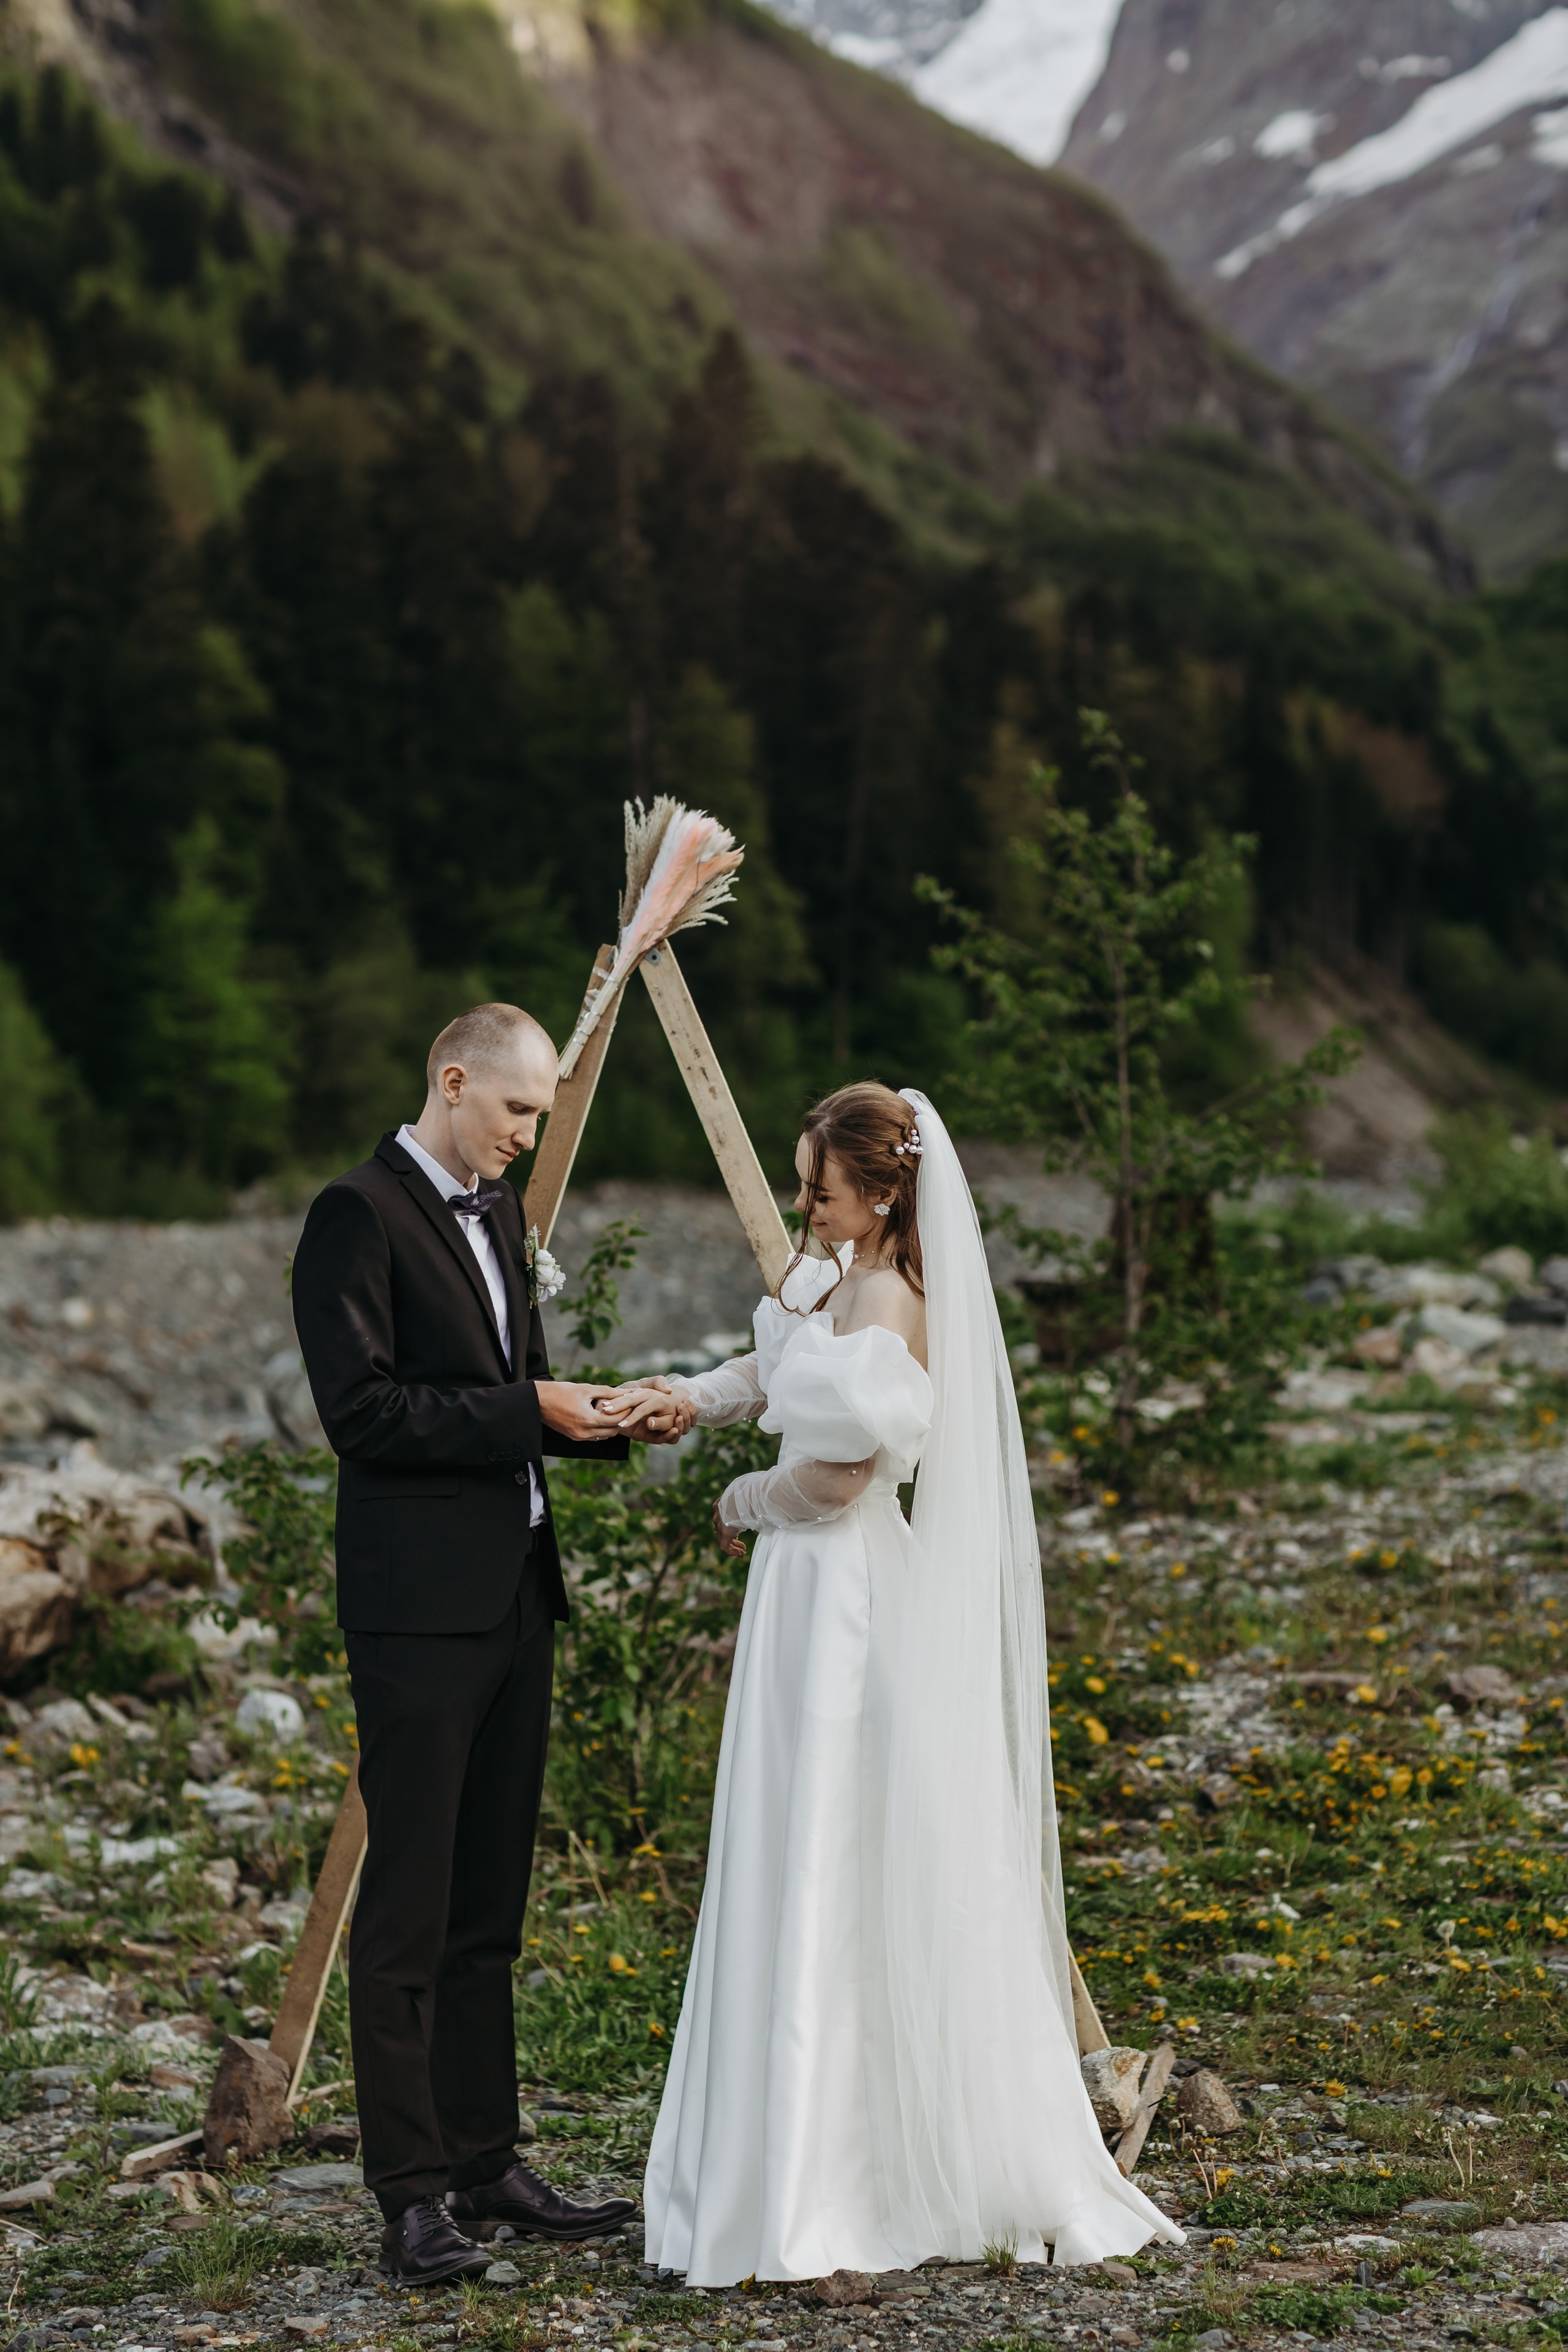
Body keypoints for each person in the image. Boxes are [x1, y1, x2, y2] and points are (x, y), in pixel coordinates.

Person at [600, 1082, 1182, 2285]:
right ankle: (786, 2146)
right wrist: (686, 1401)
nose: (804, 1204)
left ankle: (842, 2170)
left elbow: (840, 1475)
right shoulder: (835, 1276)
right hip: (802, 1589)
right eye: (802, 1181)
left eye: (820, 1186)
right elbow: (773, 1368)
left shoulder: (893, 1297)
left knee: (834, 1840)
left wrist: (739, 1499)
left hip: (843, 1593)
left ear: (881, 1190)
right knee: (793, 1834)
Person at [292, 1003, 674, 2284]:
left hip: (516, 1593)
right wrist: (528, 1409)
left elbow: (515, 1393)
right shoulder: (353, 1216)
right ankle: (409, 2199)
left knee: (488, 1910)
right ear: (452, 1082)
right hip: (414, 1611)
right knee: (407, 1912)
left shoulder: (501, 1212)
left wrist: (608, 1419)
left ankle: (485, 2159)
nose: (527, 1136)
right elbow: (363, 1414)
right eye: (517, 1111)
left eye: (540, 1117)